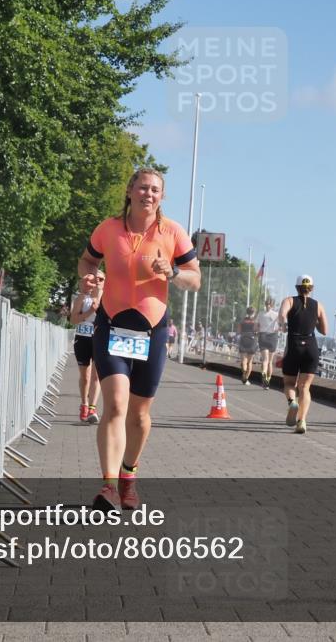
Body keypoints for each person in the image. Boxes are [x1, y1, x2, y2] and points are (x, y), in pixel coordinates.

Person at [78, 168, 200, 510]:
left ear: (161, 197)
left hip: (153, 330)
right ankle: (108, 486)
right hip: (112, 326)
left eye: (156, 190)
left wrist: (173, 272)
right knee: (115, 405)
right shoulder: (108, 229)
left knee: (140, 415)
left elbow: (195, 279)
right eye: (143, 187)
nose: (149, 194)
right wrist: (88, 278)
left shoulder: (172, 232)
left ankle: (129, 474)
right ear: (130, 191)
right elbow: (87, 261)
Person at [278, 275, 329, 434]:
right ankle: (302, 421)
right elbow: (324, 330)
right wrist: (314, 322)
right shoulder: (318, 305)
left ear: (296, 288)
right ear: (311, 288)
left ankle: (292, 402)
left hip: (294, 345)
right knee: (305, 387)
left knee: (289, 383)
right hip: (311, 347)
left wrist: (284, 325)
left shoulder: (289, 301)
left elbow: (281, 316)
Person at [69, 271, 105, 424]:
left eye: (100, 279)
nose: (96, 282)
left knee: (96, 376)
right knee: (85, 376)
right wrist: (91, 311)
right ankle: (84, 403)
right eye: (91, 280)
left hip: (99, 338)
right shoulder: (82, 298)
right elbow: (73, 320)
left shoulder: (108, 298)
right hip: (83, 338)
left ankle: (92, 408)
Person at [257, 298, 280, 388]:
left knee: (265, 360)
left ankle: (263, 373)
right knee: (270, 361)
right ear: (273, 305)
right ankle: (268, 379)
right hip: (272, 337)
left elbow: (256, 326)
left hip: (263, 336)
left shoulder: (260, 314)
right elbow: (280, 327)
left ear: (265, 304)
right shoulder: (276, 315)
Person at [238, 306, 259, 385]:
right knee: (250, 362)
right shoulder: (255, 321)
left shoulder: (242, 321)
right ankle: (246, 378)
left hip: (243, 340)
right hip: (252, 341)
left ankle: (243, 374)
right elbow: (256, 331)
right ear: (254, 313)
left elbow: (239, 331)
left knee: (244, 361)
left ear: (247, 312)